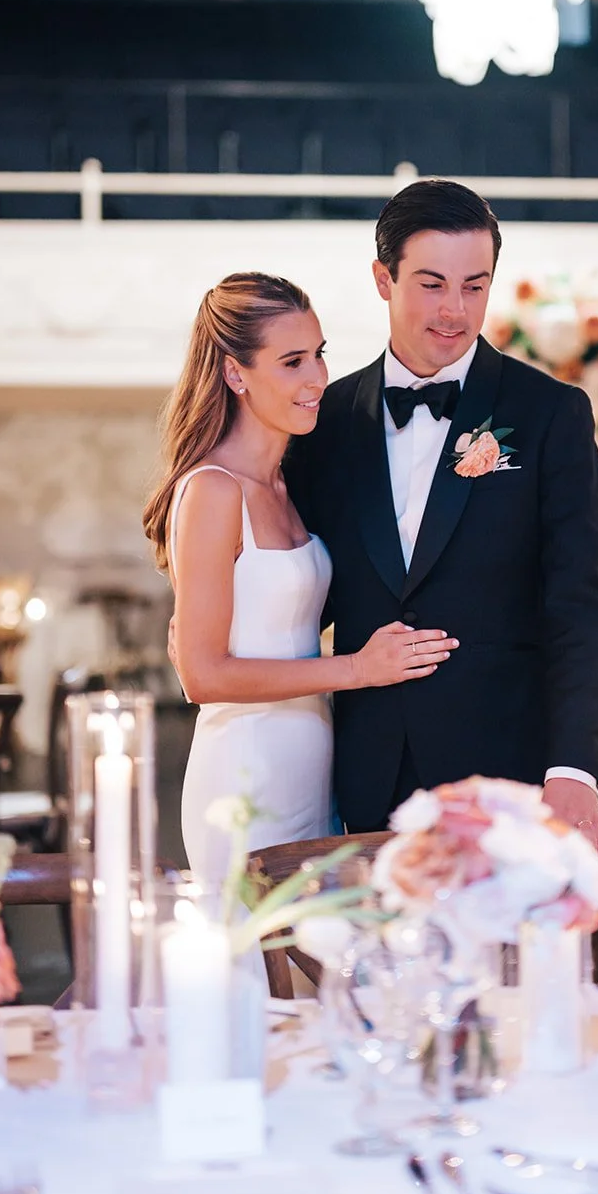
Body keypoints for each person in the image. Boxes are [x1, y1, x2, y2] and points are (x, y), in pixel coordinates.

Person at [285, 180, 598, 846]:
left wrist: (573, 766)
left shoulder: (549, 413)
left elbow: (583, 605)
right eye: (431, 284)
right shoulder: (323, 423)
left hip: (510, 778)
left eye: (475, 286)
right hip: (366, 774)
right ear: (383, 279)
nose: (454, 310)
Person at [143, 272, 457, 879]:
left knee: (317, 967)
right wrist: (359, 670)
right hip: (245, 776)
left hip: (313, 767)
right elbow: (203, 675)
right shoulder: (212, 490)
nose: (317, 378)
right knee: (253, 971)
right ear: (236, 374)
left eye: (319, 355)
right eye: (291, 362)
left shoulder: (288, 485)